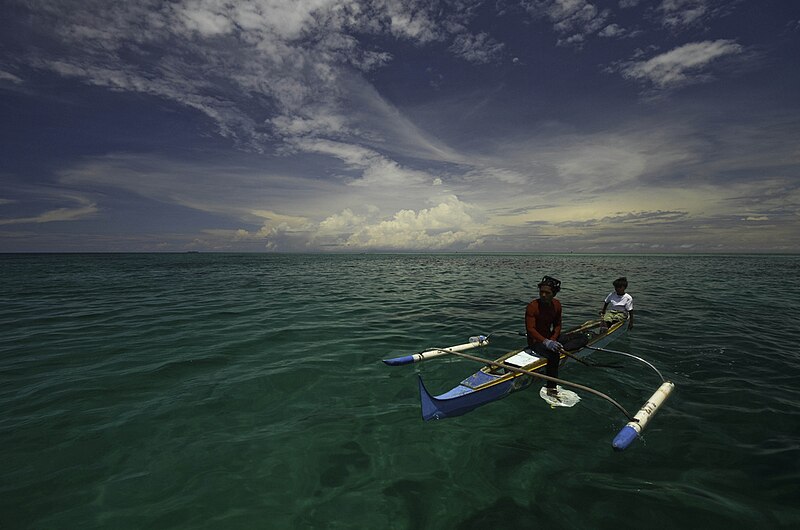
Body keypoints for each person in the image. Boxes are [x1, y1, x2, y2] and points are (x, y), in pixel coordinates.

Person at [525, 275, 563, 397]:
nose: (543, 295)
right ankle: (551, 387)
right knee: (554, 356)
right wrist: (546, 342)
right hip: (536, 342)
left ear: (554, 294)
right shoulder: (533, 306)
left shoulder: (557, 305)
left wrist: (553, 339)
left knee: (579, 338)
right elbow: (530, 329)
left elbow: (557, 325)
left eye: (547, 293)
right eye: (541, 292)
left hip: (550, 339)